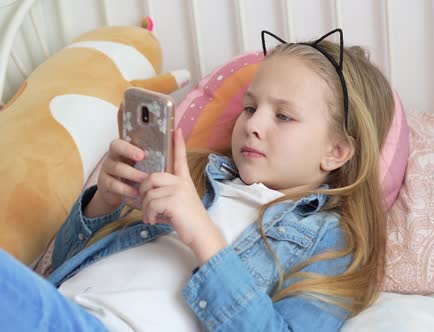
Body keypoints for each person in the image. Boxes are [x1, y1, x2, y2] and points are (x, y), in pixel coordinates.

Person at [0, 29, 395, 331]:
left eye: (283, 116)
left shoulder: (330, 240)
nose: (252, 124)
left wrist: (201, 233)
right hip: (61, 308)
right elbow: (64, 266)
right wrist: (100, 203)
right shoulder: (192, 172)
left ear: (336, 152)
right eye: (250, 107)